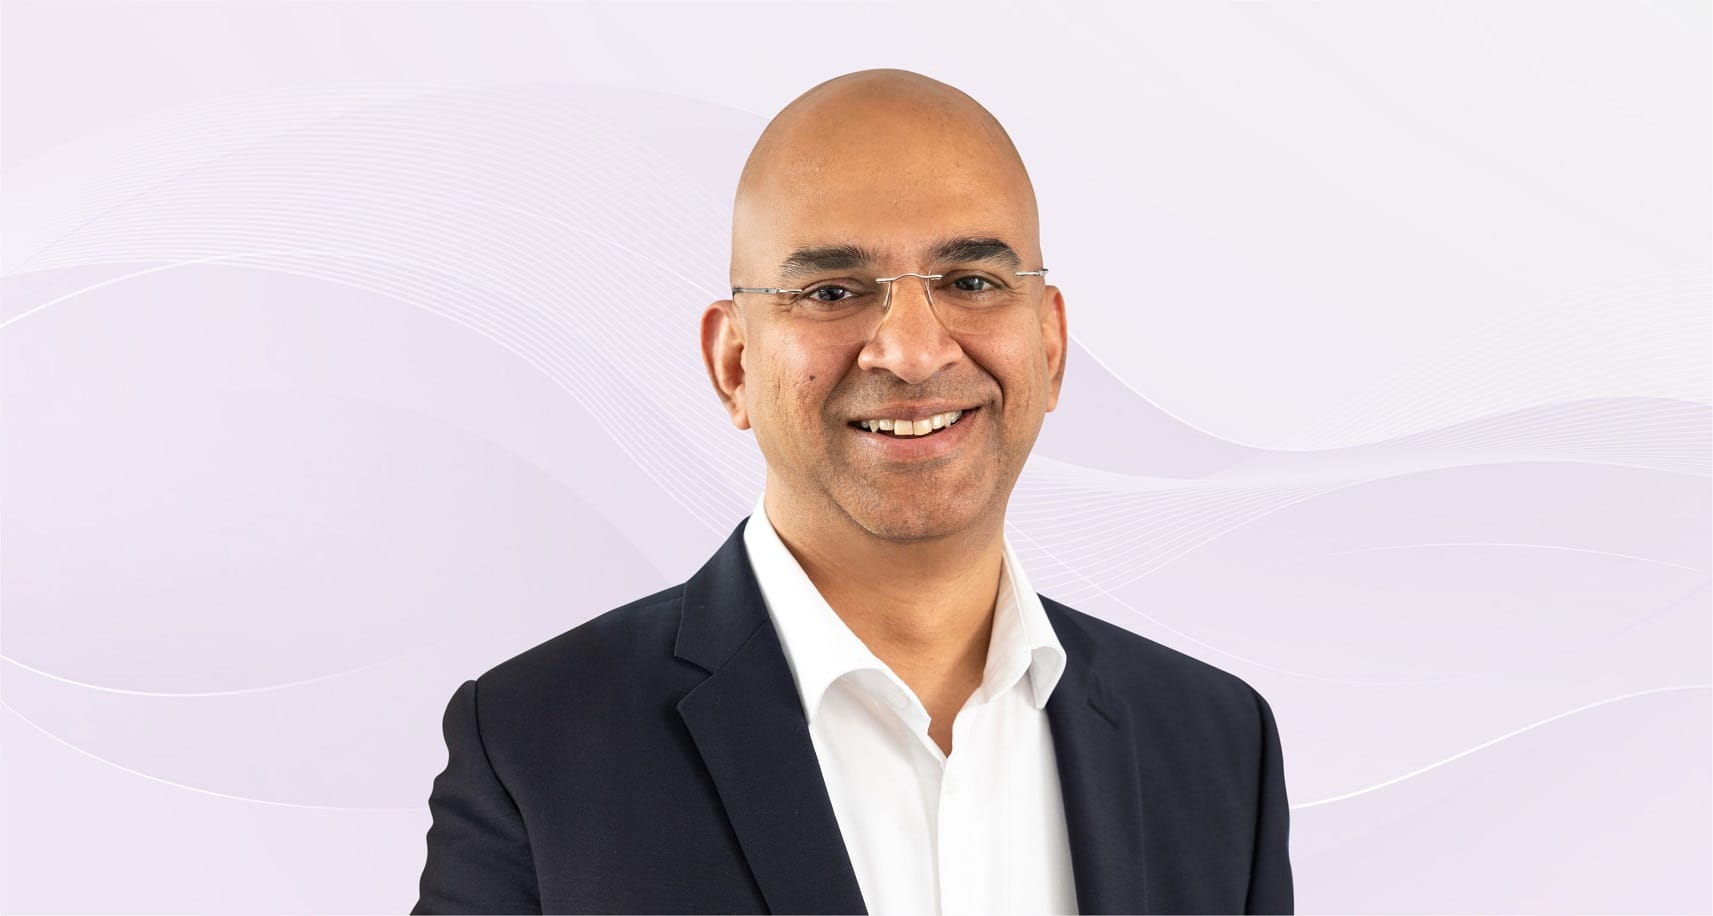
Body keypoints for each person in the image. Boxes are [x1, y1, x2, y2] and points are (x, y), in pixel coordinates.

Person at [413, 68, 1293, 915]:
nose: (911, 352)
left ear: (1050, 345)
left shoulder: (1216, 745)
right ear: (733, 363)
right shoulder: (536, 745)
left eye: (971, 282)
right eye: (832, 291)